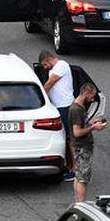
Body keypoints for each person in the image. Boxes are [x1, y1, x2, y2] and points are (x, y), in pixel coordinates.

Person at [40, 51, 77, 181]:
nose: (45, 68)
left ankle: (75, 170)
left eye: (44, 65)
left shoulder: (61, 65)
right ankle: (69, 166)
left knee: (70, 139)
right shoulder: (53, 70)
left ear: (48, 60)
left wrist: (40, 97)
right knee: (65, 138)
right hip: (59, 108)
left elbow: (50, 84)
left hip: (66, 107)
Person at [70, 82, 107, 202]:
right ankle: (81, 205)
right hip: (82, 147)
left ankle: (77, 204)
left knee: (78, 176)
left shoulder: (79, 107)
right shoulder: (77, 109)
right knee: (83, 179)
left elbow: (80, 126)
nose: (92, 99)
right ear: (86, 92)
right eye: (92, 95)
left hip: (79, 146)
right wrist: (93, 128)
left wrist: (91, 124)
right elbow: (77, 132)